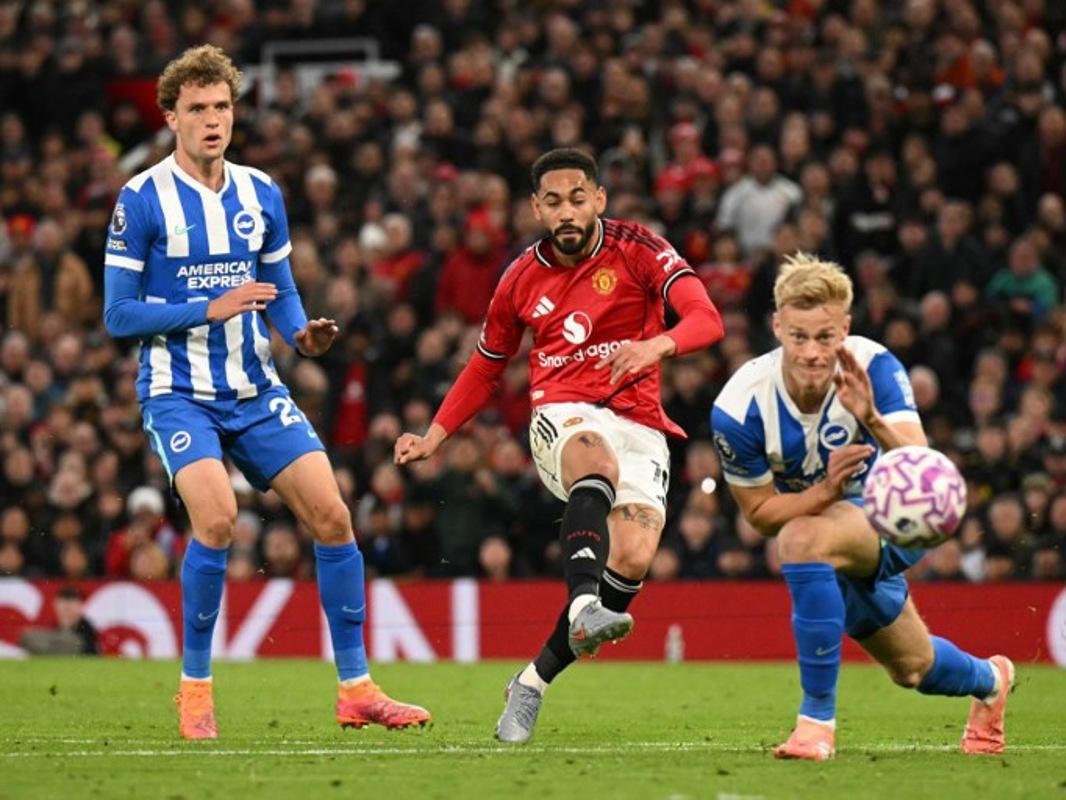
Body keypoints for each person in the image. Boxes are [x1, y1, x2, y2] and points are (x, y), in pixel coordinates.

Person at [102, 45, 429, 740]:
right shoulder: (142, 199)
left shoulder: (261, 193)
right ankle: (194, 691)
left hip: (254, 387)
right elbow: (117, 315)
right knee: (217, 519)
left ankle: (356, 689)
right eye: (197, 109)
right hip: (179, 390)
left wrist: (302, 335)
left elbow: (280, 291)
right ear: (171, 117)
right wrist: (209, 308)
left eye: (222, 106)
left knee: (334, 518)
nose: (213, 119)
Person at [394, 147, 723, 742]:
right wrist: (435, 435)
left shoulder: (640, 249)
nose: (566, 211)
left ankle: (531, 683)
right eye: (553, 202)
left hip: (641, 420)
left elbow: (707, 318)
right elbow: (486, 366)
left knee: (631, 560)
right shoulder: (519, 277)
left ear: (598, 198)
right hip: (564, 413)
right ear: (535, 209)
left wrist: (658, 346)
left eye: (578, 198)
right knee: (595, 462)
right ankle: (580, 608)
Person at [710, 253, 1014, 761]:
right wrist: (823, 494)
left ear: (844, 329)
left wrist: (870, 416)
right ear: (777, 326)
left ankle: (815, 725)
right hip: (830, 527)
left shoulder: (874, 366)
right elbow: (759, 514)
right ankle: (991, 680)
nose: (812, 352)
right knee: (913, 668)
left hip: (892, 521)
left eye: (825, 337)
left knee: (801, 539)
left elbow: (925, 472)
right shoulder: (740, 406)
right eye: (799, 336)